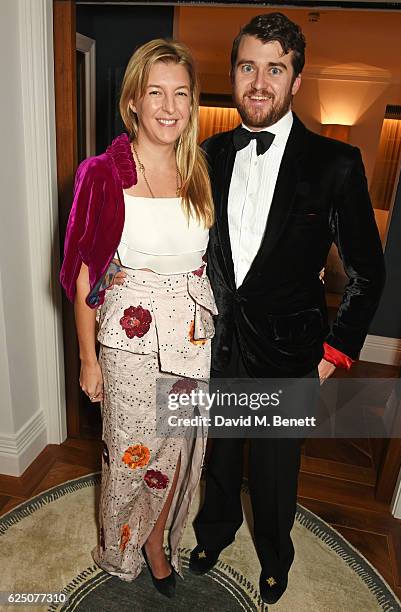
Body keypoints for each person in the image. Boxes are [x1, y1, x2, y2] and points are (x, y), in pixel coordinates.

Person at [188, 12, 386, 605]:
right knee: (220, 458)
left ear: (296, 80)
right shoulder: (207, 153)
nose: (259, 82)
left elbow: (368, 273)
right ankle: (213, 533)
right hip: (220, 344)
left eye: (275, 69)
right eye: (248, 66)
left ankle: (275, 557)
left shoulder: (336, 164)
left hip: (292, 353)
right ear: (233, 72)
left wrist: (333, 353)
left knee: (275, 474)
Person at [60, 39, 216, 598]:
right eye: (156, 92)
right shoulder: (101, 173)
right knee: (129, 454)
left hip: (192, 338)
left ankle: (156, 542)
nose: (170, 106)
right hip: (129, 342)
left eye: (181, 93)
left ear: (193, 103)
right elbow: (82, 272)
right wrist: (87, 358)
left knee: (175, 451)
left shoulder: (200, 168)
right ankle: (121, 545)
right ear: (133, 101)